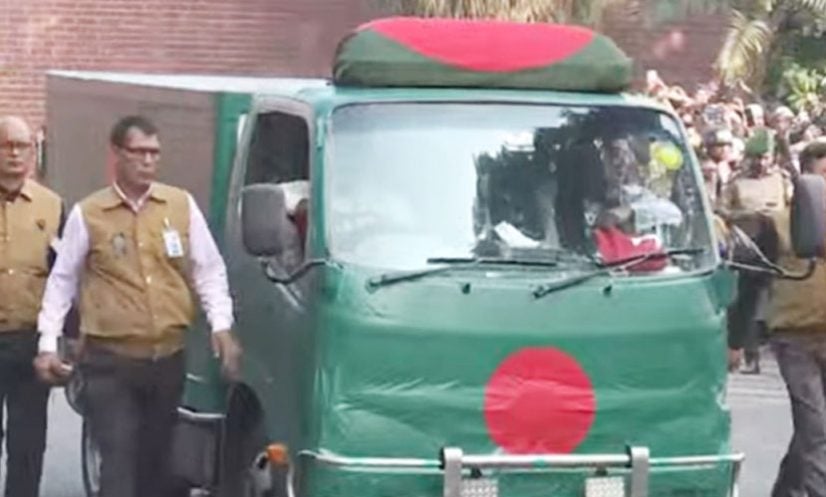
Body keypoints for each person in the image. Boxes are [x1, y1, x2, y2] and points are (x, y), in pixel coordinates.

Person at [33, 115, 242, 497]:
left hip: (166, 359)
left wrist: (221, 326)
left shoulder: (179, 206)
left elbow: (208, 269)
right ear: (116, 154)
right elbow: (62, 282)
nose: (148, 161)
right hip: (110, 363)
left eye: (154, 153)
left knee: (157, 465)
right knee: (118, 460)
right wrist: (48, 344)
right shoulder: (89, 214)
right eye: (139, 152)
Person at [0, 116, 67, 497]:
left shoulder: (52, 206)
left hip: (29, 341)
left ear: (32, 152)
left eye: (22, 146)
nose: (14, 153)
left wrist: (65, 341)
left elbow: (65, 276)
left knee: (27, 444)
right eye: (6, 145)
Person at [765, 140, 826, 497]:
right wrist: (737, 339)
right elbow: (752, 281)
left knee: (810, 430)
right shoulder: (778, 222)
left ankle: (786, 491)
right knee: (816, 429)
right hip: (796, 339)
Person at [722, 128, 792, 374]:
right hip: (748, 247)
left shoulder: (781, 180)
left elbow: (794, 207)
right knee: (747, 303)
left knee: (779, 297)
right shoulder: (737, 182)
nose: (761, 163)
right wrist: (748, 215)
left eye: (765, 157)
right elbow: (722, 210)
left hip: (778, 245)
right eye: (756, 158)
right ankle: (748, 354)